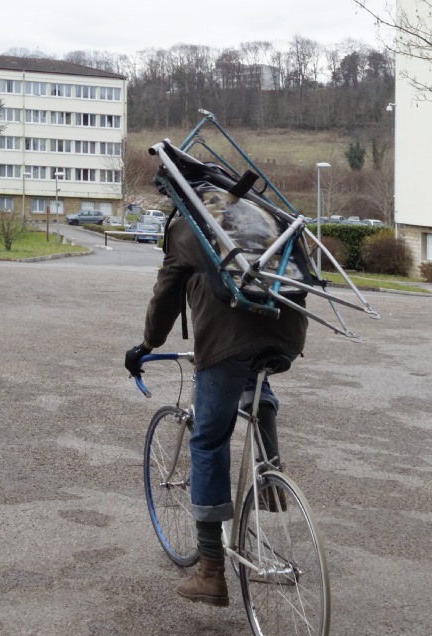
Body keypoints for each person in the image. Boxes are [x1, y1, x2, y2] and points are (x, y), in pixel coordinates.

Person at [124, 213, 307, 607]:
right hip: (285, 331)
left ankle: (210, 573)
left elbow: (168, 289)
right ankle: (269, 476)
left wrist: (147, 344)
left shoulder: (187, 221)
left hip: (226, 340)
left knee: (208, 440)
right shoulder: (258, 213)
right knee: (254, 375)